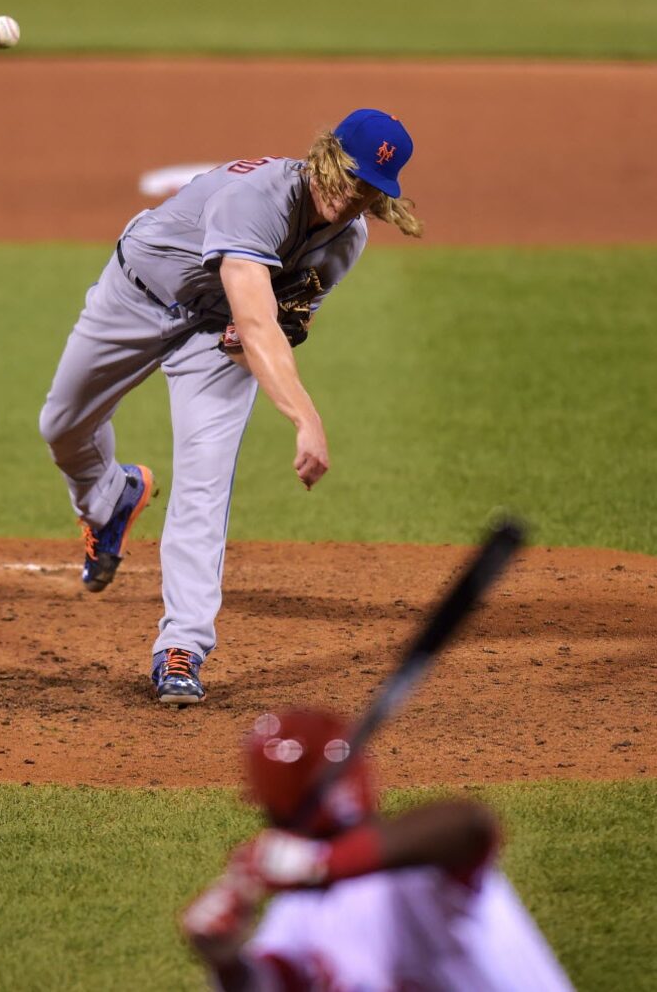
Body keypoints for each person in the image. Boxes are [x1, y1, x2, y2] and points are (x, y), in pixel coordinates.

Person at [39, 110, 423, 705]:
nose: (353, 196)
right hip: (138, 296)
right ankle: (109, 499)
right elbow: (257, 317)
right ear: (324, 154)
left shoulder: (347, 241)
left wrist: (250, 348)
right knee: (63, 426)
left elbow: (271, 327)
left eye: (370, 189)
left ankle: (182, 647)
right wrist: (305, 417)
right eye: (348, 175)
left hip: (215, 334)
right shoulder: (258, 199)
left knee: (205, 478)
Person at [181, 710, 576, 991]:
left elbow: (468, 825)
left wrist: (321, 864)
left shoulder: (418, 868)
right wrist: (227, 961)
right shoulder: (302, 905)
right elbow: (278, 979)